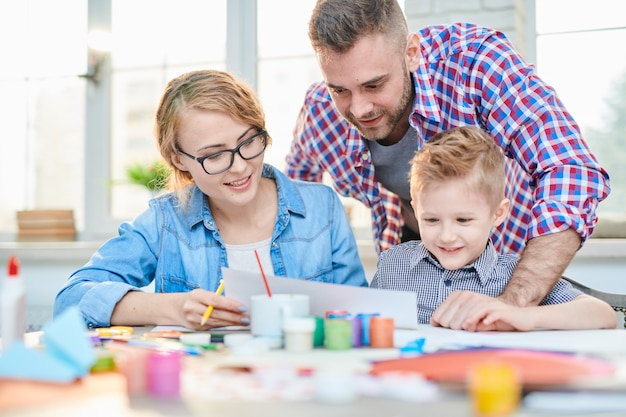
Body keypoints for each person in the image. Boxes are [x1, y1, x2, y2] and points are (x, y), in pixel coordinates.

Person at [286, 0, 611, 328]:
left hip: (503, 270)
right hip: (409, 269)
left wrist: (512, 304)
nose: (358, 109)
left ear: (411, 53)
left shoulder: (476, 63)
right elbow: (295, 203)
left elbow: (571, 169)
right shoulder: (319, 112)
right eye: (340, 90)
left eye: (374, 85)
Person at [54, 69, 367, 330]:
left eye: (248, 141)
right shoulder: (165, 221)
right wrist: (173, 308)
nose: (241, 166)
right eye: (215, 155)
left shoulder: (322, 207)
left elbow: (361, 314)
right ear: (178, 159)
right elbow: (70, 300)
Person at [370, 126, 616, 331]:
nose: (446, 236)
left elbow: (603, 315)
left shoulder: (513, 274)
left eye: (463, 220)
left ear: (498, 213)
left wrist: (523, 314)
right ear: (415, 209)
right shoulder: (392, 264)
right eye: (431, 220)